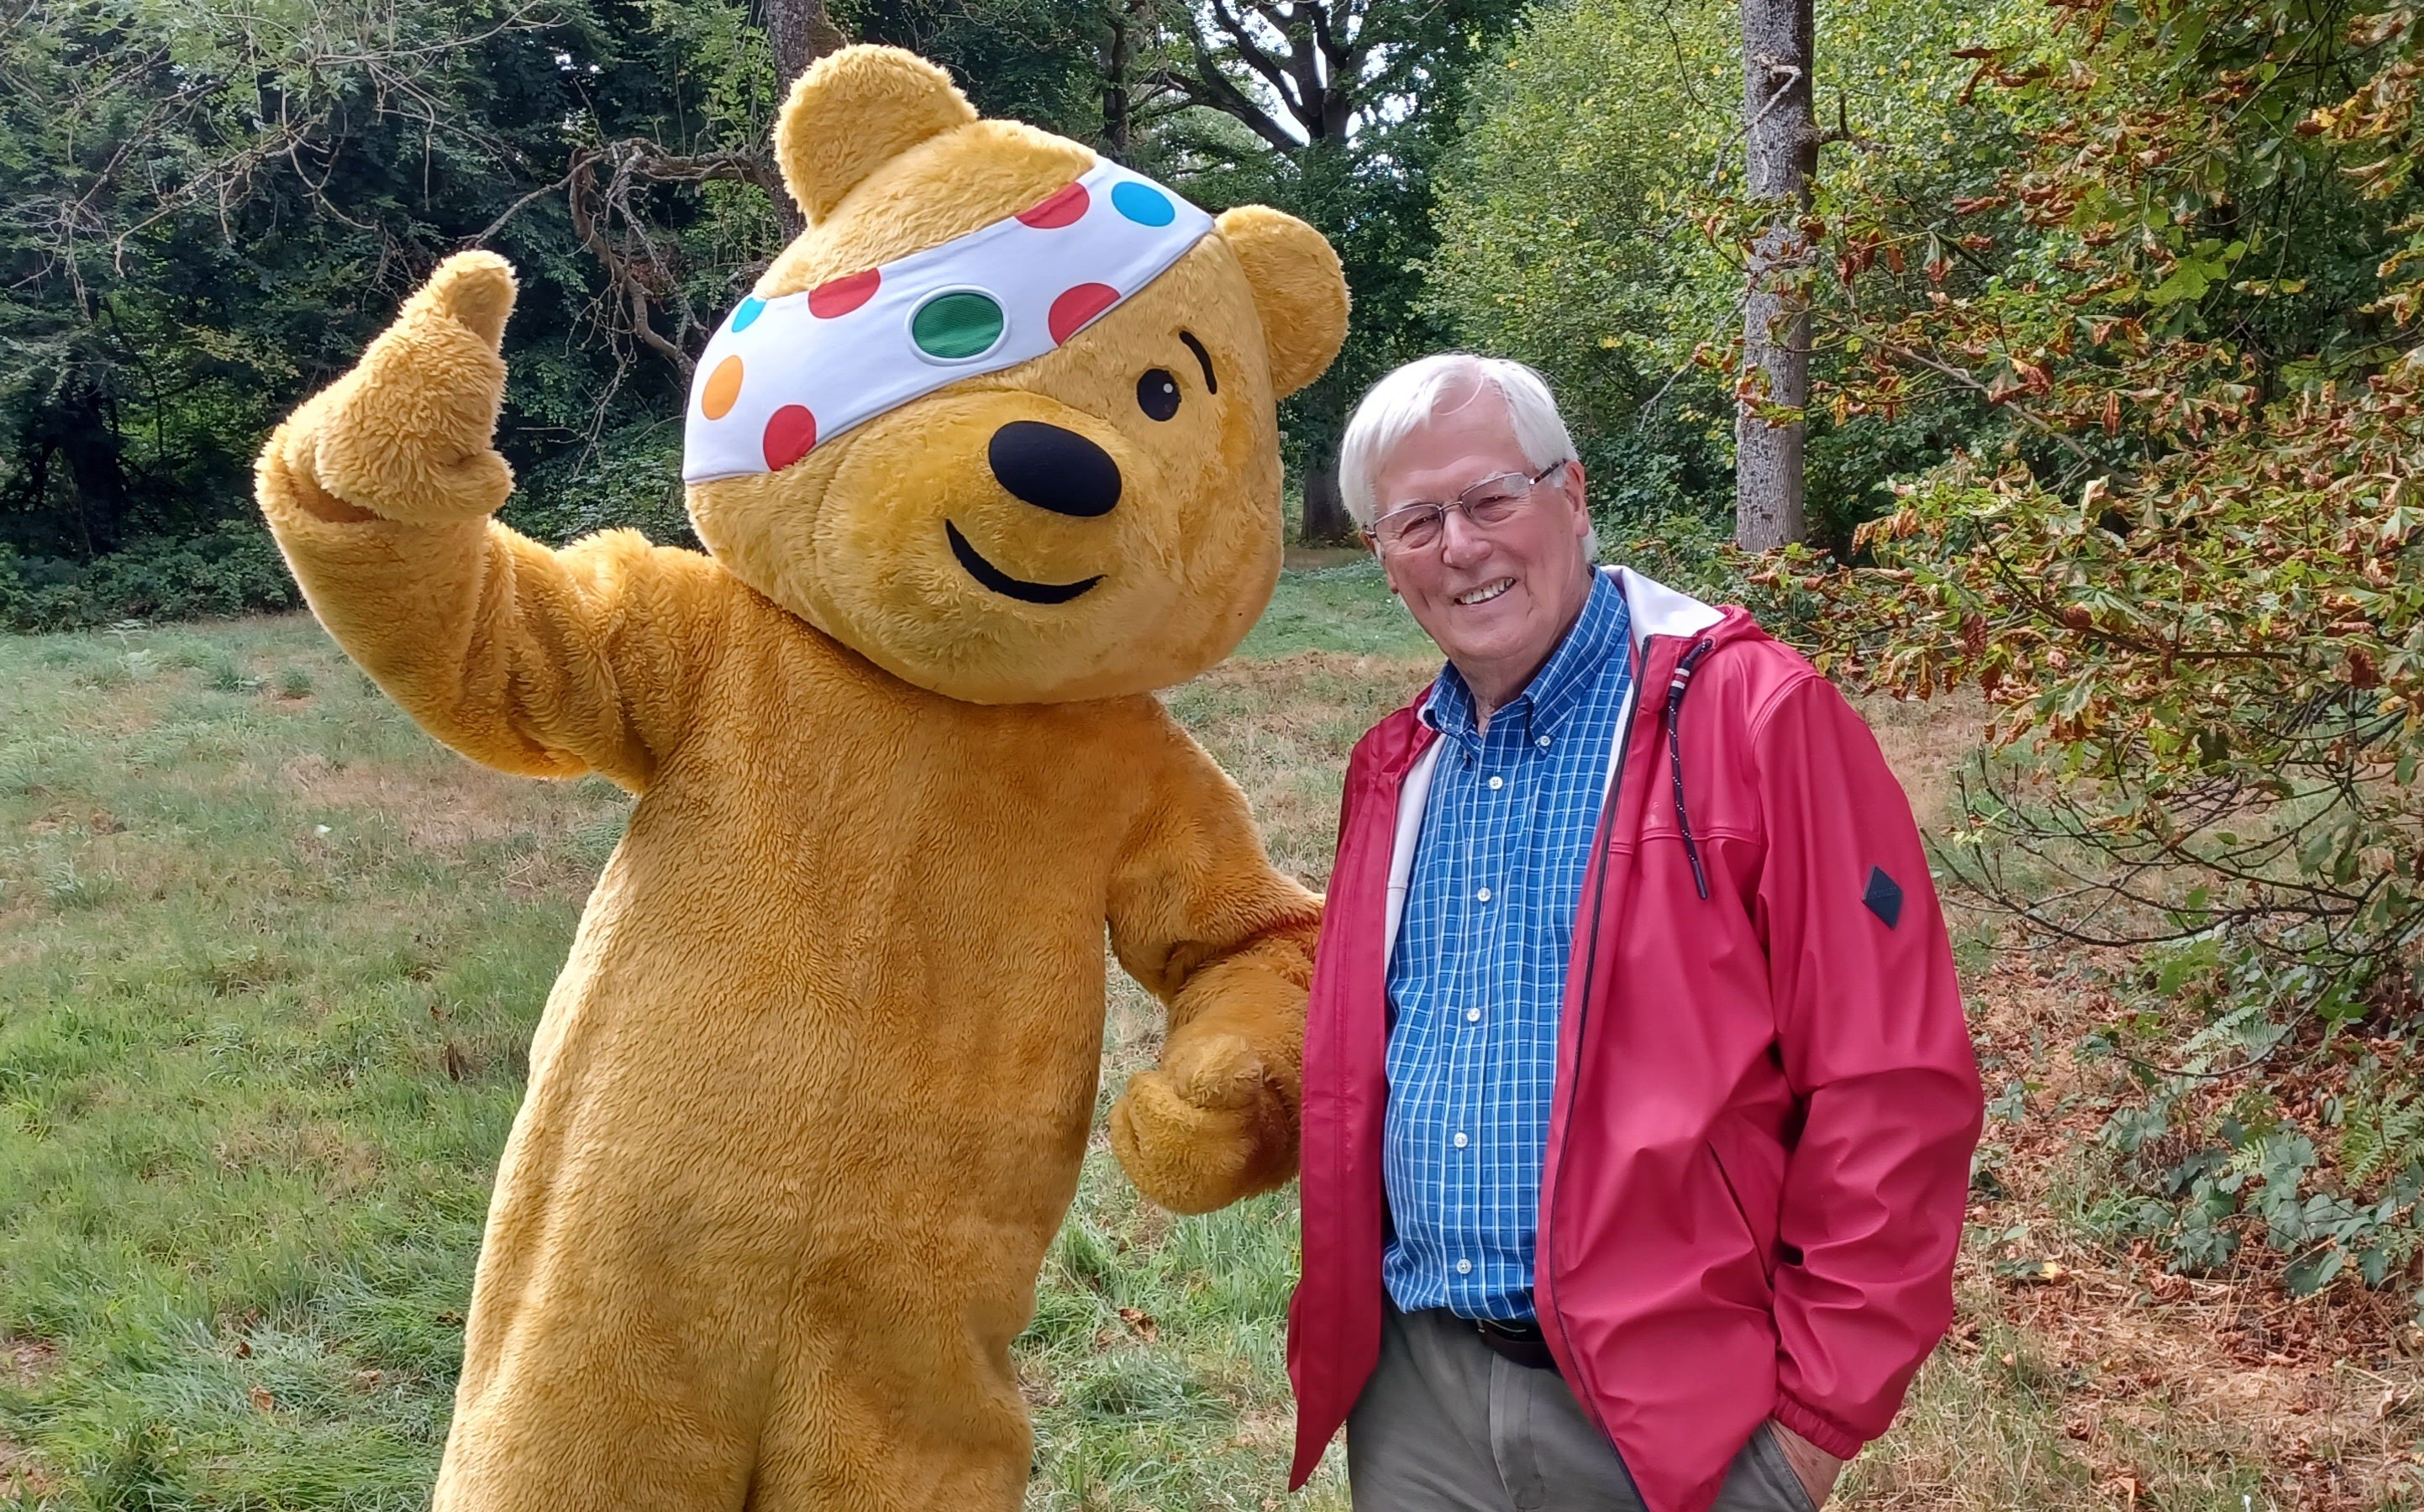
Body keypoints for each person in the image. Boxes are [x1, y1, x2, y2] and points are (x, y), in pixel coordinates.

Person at [1285, 354, 1982, 1512]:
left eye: (1491, 498)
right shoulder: (1395, 766)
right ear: (1381, 557)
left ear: (1573, 492)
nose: (1460, 545)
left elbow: (1890, 1087)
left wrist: (1810, 1430)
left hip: (1666, 1418)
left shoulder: (1752, 719)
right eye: (1415, 520)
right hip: (1417, 1395)